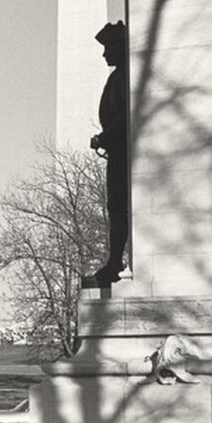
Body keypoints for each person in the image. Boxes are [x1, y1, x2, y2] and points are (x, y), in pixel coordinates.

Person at [86, 21, 129, 286]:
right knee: (116, 208)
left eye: (107, 48)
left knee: (119, 207)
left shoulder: (125, 76)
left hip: (123, 152)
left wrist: (104, 136)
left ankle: (116, 261)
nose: (103, 54)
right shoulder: (119, 76)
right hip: (117, 151)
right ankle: (114, 260)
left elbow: (127, 113)